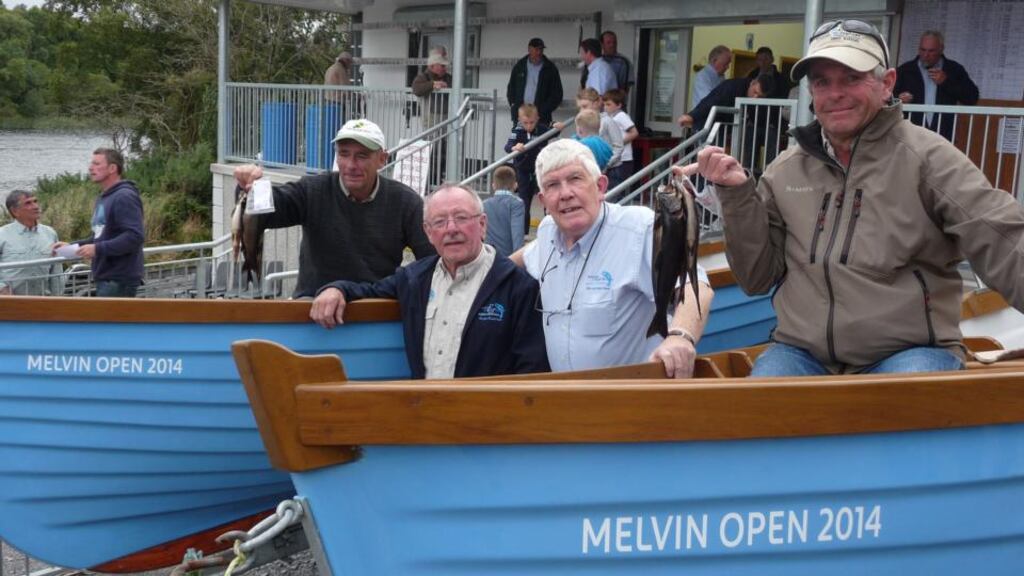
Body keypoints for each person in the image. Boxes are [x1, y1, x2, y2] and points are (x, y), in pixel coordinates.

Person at [688, 20, 1024, 377]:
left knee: (902, 413)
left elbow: (1002, 238)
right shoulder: (785, 170)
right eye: (822, 82)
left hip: (910, 350)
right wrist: (738, 196)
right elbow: (756, 279)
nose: (835, 93)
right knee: (755, 415)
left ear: (887, 84)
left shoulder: (929, 159)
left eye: (851, 78)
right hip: (803, 351)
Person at [516, 139, 714, 378]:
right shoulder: (548, 231)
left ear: (600, 186)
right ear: (543, 201)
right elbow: (520, 259)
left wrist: (680, 337)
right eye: (553, 185)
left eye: (576, 179)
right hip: (566, 400)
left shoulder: (639, 228)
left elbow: (696, 287)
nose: (565, 194)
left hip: (630, 400)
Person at [311, 184, 549, 379]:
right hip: (426, 421)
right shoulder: (414, 279)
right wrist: (336, 288)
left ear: (482, 224)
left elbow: (531, 370)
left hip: (488, 429)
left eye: (461, 217)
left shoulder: (519, 287)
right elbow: (368, 290)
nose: (451, 229)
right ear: (428, 232)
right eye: (439, 222)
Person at [232, 119, 435, 298]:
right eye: (343, 154)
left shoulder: (406, 202)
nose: (350, 164)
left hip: (375, 308)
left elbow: (431, 263)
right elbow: (268, 211)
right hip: (313, 309)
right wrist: (250, 186)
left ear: (383, 159)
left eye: (361, 156)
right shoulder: (313, 189)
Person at [54, 148, 145, 298]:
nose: (90, 167)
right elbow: (100, 237)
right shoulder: (103, 197)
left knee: (112, 321)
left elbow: (135, 236)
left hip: (118, 280)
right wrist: (72, 246)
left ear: (112, 168)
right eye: (91, 163)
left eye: (96, 163)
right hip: (105, 278)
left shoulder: (124, 196)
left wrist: (98, 249)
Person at [894, 30, 979, 141]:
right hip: (912, 134)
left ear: (941, 49)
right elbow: (888, 98)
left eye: (931, 51)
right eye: (922, 50)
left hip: (943, 133)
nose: (925, 55)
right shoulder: (905, 70)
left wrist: (946, 82)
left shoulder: (953, 69)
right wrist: (899, 99)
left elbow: (972, 98)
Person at [0, 190, 63, 296]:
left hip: (43, 301)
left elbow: (56, 270)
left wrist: (58, 298)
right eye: (28, 203)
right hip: (10, 303)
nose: (36, 206)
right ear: (15, 211)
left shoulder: (50, 233)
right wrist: (2, 288)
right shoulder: (2, 235)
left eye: (35, 201)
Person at [554, 88, 625, 178]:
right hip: (593, 169)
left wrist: (606, 164)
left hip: (611, 170)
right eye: (579, 107)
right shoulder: (582, 121)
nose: (582, 110)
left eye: (585, 106)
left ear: (596, 103)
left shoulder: (607, 121)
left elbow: (618, 146)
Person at [504, 104, 551, 235]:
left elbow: (553, 131)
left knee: (546, 197)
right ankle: (523, 233)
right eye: (525, 123)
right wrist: (514, 147)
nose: (529, 126)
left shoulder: (541, 129)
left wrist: (557, 127)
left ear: (538, 119)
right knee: (524, 201)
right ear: (519, 119)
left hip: (540, 169)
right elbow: (507, 146)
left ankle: (549, 228)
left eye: (532, 122)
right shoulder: (517, 130)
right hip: (523, 170)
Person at [506, 37, 564, 127]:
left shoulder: (550, 68)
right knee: (519, 140)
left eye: (541, 49)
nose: (539, 52)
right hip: (521, 116)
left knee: (541, 140)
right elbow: (511, 88)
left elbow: (557, 94)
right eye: (536, 49)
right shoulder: (519, 66)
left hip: (541, 118)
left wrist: (543, 110)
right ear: (529, 49)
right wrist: (514, 105)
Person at [483, 166, 525, 258]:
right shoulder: (516, 204)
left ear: (493, 185)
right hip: (508, 259)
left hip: (488, 258)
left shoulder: (484, 204)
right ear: (515, 185)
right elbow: (517, 235)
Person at [603, 88, 637, 189]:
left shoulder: (621, 116)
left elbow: (634, 132)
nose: (605, 107)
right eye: (604, 104)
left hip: (623, 159)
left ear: (619, 105)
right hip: (616, 159)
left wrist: (617, 143)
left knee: (616, 188)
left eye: (608, 104)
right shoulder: (609, 117)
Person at [600, 30, 633, 95]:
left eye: (614, 42)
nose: (612, 45)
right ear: (602, 44)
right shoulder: (597, 61)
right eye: (608, 43)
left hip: (615, 101)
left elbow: (625, 88)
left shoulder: (624, 61)